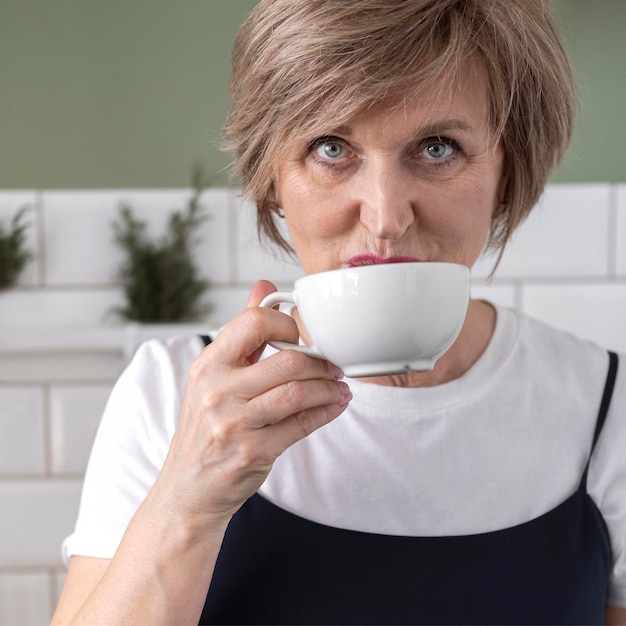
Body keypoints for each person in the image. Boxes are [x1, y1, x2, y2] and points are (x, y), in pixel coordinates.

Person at [52, 0, 626, 624]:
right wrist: (189, 497)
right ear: (272, 176)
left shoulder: (605, 410)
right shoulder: (172, 396)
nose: (385, 217)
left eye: (437, 148)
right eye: (330, 148)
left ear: (507, 169)